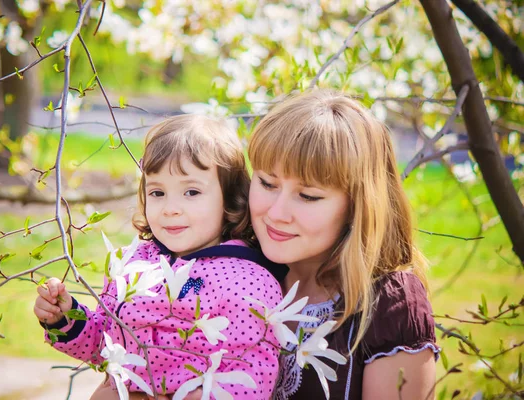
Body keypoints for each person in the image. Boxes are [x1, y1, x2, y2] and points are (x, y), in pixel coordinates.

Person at [33, 114, 285, 399]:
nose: (170, 208)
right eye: (157, 192)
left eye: (191, 192)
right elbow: (105, 345)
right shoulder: (133, 263)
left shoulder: (246, 281)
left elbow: (254, 373)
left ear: (230, 199)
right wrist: (65, 319)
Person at [246, 90, 439, 399]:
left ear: (357, 206)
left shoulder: (390, 307)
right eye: (268, 184)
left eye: (308, 196)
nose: (276, 213)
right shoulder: (231, 269)